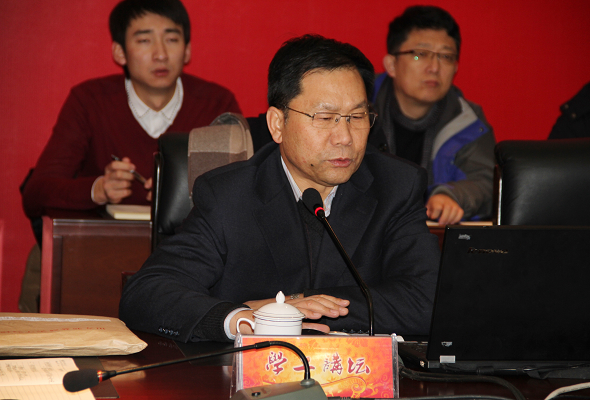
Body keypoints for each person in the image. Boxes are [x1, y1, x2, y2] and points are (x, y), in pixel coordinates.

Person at [119, 34, 440, 343]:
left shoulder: (396, 186)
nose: (345, 137)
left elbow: (430, 301)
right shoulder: (229, 197)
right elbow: (147, 293)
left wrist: (284, 308)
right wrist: (242, 318)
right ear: (277, 124)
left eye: (356, 116)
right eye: (325, 117)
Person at [19, 0, 240, 312]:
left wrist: (181, 195)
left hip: (188, 264)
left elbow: (241, 194)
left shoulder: (216, 104)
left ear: (187, 50)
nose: (160, 54)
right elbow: (36, 193)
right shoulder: (90, 101)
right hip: (94, 260)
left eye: (172, 39)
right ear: (119, 52)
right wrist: (97, 189)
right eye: (144, 40)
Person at [369, 5, 495, 225]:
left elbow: (487, 183)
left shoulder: (468, 120)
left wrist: (452, 196)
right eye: (420, 54)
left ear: (456, 67)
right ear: (391, 64)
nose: (434, 68)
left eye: (446, 56)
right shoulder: (358, 107)